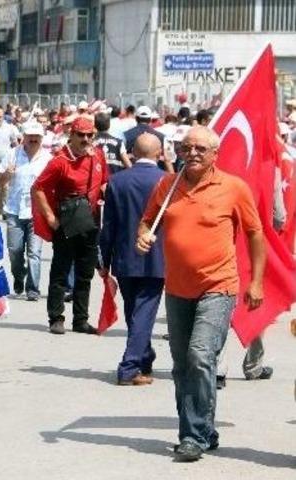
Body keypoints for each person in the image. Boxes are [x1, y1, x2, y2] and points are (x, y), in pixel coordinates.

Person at [137, 126, 265, 462]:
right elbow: (148, 221)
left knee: (200, 355)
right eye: (186, 147)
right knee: (182, 365)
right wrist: (143, 236)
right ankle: (205, 428)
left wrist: (256, 282)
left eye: (200, 149)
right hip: (177, 288)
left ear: (214, 155)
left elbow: (255, 233)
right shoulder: (167, 185)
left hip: (218, 286)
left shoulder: (233, 187)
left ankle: (192, 436)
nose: (192, 153)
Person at [100, 134, 166, 386]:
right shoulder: (167, 182)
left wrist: (104, 259)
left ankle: (144, 357)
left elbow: (109, 225)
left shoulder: (117, 181)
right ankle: (129, 366)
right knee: (143, 313)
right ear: (159, 153)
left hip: (125, 256)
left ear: (132, 152)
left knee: (134, 311)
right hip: (157, 257)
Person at [32, 117, 108, 335]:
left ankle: (80, 320)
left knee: (85, 273)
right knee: (61, 271)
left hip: (91, 222)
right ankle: (56, 318)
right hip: (66, 222)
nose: (86, 139)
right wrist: (50, 218)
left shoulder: (98, 155)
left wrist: (108, 194)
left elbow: (104, 181)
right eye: (81, 135)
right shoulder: (60, 160)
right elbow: (38, 188)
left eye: (89, 135)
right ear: (71, 135)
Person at [0, 122, 51, 301]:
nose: (33, 139)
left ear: (42, 138)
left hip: (37, 212)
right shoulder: (12, 154)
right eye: (30, 136)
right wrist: (7, 174)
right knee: (15, 250)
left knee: (34, 253)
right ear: (24, 137)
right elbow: (0, 182)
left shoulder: (48, 158)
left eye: (37, 136)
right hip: (14, 210)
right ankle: (19, 275)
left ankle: (33, 288)